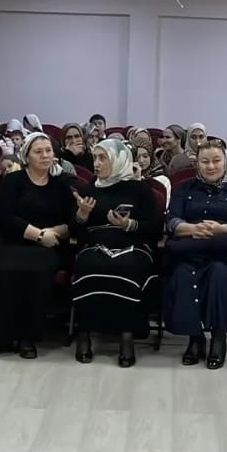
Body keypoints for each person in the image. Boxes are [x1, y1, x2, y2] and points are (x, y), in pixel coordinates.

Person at [0, 133, 77, 357]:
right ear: (26, 156)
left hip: (45, 246)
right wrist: (38, 234)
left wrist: (51, 233)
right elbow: (6, 217)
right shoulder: (13, 181)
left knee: (36, 271)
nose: (45, 155)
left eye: (48, 151)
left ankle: (27, 337)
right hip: (9, 240)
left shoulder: (61, 185)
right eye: (38, 152)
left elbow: (70, 222)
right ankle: (2, 335)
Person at [71, 138, 160, 367]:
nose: (97, 164)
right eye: (95, 158)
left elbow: (155, 226)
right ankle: (84, 332)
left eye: (103, 158)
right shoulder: (88, 189)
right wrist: (82, 215)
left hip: (133, 243)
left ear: (119, 160)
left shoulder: (140, 189)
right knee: (88, 265)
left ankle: (127, 335)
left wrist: (128, 225)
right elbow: (74, 230)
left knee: (127, 266)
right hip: (96, 244)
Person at [164, 143, 227, 370]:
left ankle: (219, 338)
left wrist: (222, 229)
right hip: (189, 251)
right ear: (197, 164)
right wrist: (191, 229)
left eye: (216, 161)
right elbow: (172, 221)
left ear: (225, 162)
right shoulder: (184, 189)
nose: (211, 166)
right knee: (184, 273)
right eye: (205, 161)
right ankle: (195, 338)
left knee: (218, 273)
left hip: (224, 255)